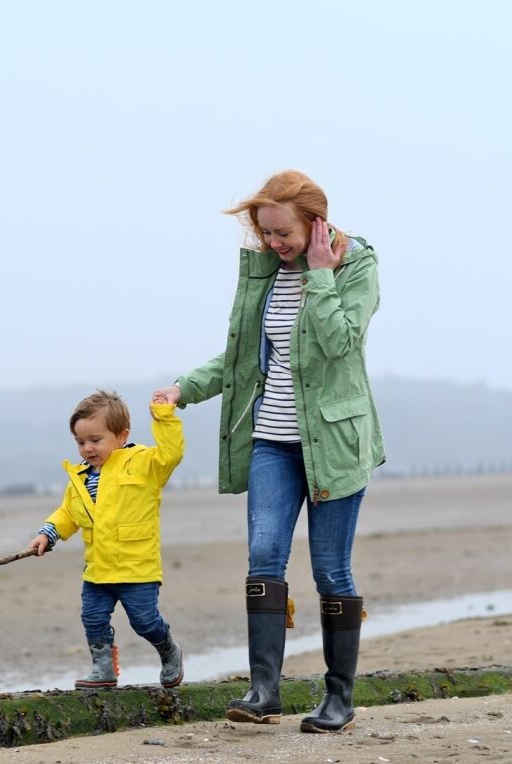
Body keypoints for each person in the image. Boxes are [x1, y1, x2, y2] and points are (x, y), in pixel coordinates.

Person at [153, 170, 385, 733]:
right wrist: (185, 388)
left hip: (333, 443)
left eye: (283, 234)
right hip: (271, 441)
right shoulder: (266, 272)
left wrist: (322, 275)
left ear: (316, 221)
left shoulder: (357, 265)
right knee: (263, 556)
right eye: (266, 235)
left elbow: (338, 344)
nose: (275, 245)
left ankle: (339, 699)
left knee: (331, 569)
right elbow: (241, 359)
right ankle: (264, 692)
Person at [27, 389, 186, 689]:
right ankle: (104, 668)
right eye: (80, 442)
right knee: (93, 618)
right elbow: (69, 513)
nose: (87, 448)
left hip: (137, 568)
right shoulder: (81, 478)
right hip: (98, 569)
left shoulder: (143, 464)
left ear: (121, 436)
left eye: (95, 440)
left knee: (145, 621)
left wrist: (164, 417)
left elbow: (172, 453)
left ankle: (169, 650)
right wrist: (48, 533)